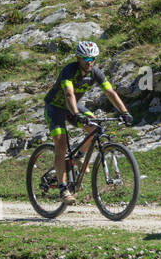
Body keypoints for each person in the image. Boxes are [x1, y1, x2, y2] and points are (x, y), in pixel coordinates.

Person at [44, 41, 131, 204]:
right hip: (55, 107)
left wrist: (124, 112)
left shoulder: (95, 73)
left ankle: (79, 156)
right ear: (78, 58)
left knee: (95, 127)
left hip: (74, 107)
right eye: (85, 58)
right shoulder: (69, 71)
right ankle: (63, 189)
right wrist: (76, 114)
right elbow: (69, 94)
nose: (89, 61)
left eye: (92, 58)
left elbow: (110, 92)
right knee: (61, 144)